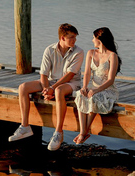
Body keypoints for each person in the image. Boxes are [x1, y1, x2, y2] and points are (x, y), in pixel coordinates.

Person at [8, 23, 85, 151]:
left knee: (59, 90)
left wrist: (52, 89)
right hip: (50, 82)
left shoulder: (79, 52)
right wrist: (46, 90)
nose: (74, 40)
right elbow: (43, 74)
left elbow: (70, 75)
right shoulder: (49, 50)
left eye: (75, 37)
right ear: (62, 38)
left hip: (71, 83)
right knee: (23, 87)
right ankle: (25, 126)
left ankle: (58, 133)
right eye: (71, 37)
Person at [73, 27, 121, 145]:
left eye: (94, 37)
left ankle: (83, 133)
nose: (92, 40)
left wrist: (96, 90)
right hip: (94, 88)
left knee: (94, 97)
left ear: (100, 39)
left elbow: (110, 80)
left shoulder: (112, 56)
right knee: (80, 94)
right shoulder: (91, 53)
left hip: (107, 89)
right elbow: (88, 73)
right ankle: (84, 131)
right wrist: (84, 87)